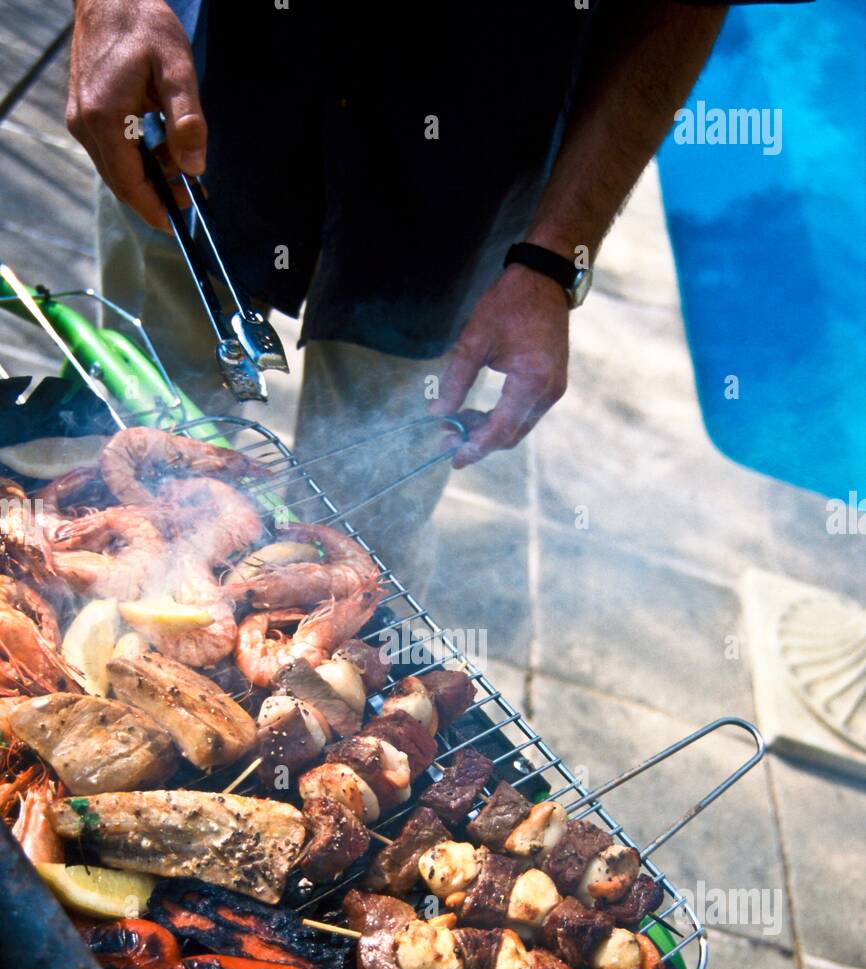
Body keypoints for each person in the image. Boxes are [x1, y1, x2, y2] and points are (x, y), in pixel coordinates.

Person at [66, 0, 806, 585]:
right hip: (207, 92)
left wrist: (553, 259)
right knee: (145, 431)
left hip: (462, 186)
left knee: (365, 533)